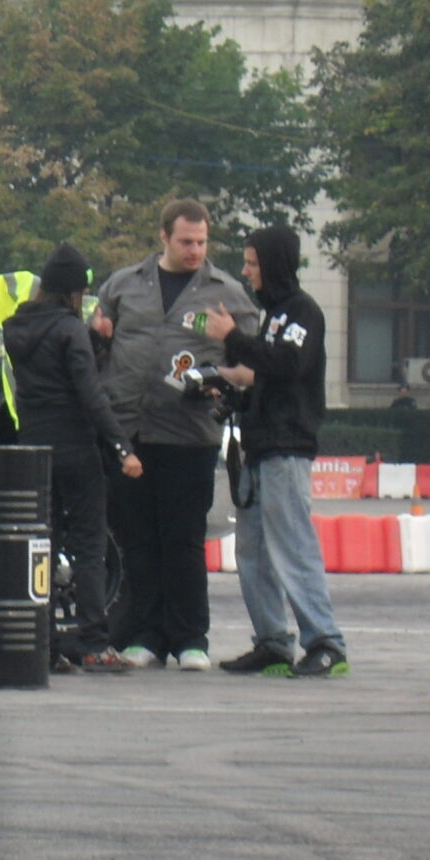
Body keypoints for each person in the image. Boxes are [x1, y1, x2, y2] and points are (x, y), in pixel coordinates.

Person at [91, 200, 257, 671]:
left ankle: (190, 638)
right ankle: (144, 634)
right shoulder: (123, 285)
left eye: (202, 242)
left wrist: (218, 376)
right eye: (186, 242)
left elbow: (251, 365)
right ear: (163, 236)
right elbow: (99, 344)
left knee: (183, 539)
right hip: (130, 431)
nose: (195, 251)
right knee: (136, 539)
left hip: (189, 433)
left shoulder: (226, 292)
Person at [206, 226, 348, 679]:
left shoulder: (303, 311)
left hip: (288, 447)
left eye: (252, 263)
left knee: (291, 545)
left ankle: (325, 642)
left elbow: (288, 365)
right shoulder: (272, 316)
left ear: (274, 264)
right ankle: (271, 641)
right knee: (253, 551)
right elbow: (266, 373)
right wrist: (228, 384)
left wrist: (233, 338)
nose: (246, 272)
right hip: (260, 445)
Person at [3, 243, 145, 674]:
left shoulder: (16, 329)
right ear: (72, 291)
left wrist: (94, 344)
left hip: (34, 451)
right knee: (89, 546)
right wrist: (123, 447)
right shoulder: (69, 330)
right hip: (77, 451)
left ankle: (44, 646)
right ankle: (93, 644)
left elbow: (50, 378)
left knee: (43, 546)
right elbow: (89, 395)